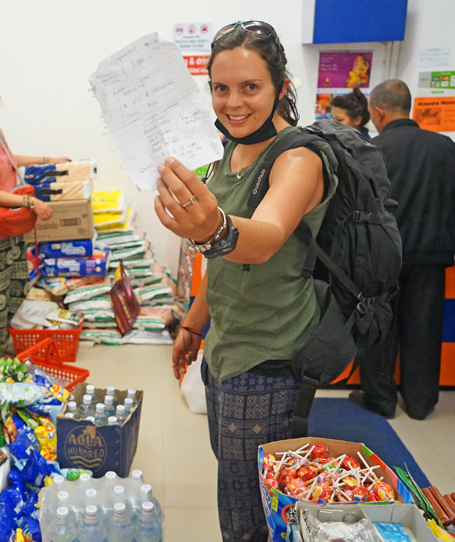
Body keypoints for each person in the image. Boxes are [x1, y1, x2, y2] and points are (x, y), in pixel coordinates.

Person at [156, 22, 336, 541]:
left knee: (248, 518)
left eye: (250, 87)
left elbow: (267, 236)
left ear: (281, 86)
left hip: (269, 360)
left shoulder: (298, 158)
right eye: (220, 88)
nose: (232, 103)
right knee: (237, 482)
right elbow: (227, 262)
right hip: (225, 352)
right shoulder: (230, 153)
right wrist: (194, 323)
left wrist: (212, 227)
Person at [350, 80, 455, 420]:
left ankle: (381, 399)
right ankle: (421, 402)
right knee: (424, 331)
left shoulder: (372, 150)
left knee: (380, 329)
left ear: (378, 111)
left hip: (384, 257)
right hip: (431, 255)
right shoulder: (445, 148)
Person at [0, 76, 69, 355]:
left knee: (18, 285)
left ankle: (1, 346)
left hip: (10, 224)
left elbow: (9, 159)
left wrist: (48, 160)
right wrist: (30, 202)